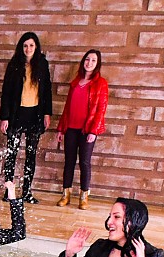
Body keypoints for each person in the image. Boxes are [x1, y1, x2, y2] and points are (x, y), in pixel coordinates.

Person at [0, 32, 52, 204]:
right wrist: (4, 117)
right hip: (16, 114)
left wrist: (47, 113)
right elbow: (6, 92)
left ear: (36, 47)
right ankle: (9, 191)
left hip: (35, 114)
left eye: (31, 45)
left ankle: (27, 191)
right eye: (25, 45)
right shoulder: (14, 64)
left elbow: (47, 90)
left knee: (31, 154)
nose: (28, 49)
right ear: (21, 47)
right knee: (11, 154)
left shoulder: (42, 64)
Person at [56, 49, 109, 210]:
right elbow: (67, 107)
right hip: (71, 128)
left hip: (87, 130)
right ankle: (65, 194)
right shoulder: (75, 82)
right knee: (69, 162)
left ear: (97, 64)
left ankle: (84, 197)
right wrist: (61, 128)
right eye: (87, 59)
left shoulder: (101, 84)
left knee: (84, 162)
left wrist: (94, 131)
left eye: (93, 60)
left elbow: (101, 109)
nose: (89, 63)